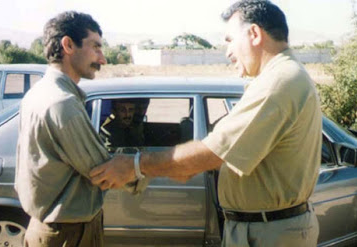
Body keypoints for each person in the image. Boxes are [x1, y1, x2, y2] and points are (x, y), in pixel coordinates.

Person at [89, 1, 322, 246]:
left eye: (230, 40)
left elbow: (212, 152)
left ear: (254, 34)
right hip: (262, 227)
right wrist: (180, 165)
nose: (227, 52)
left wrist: (135, 165)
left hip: (268, 232)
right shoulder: (280, 77)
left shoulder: (278, 82)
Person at [15, 11, 110, 247]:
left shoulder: (40, 92)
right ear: (68, 45)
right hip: (68, 233)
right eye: (95, 47)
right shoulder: (62, 103)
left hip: (51, 228)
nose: (102, 58)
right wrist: (152, 166)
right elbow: (101, 171)